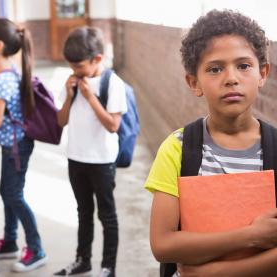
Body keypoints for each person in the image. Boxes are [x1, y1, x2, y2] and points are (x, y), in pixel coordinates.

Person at [145, 10, 277, 276]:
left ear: (262, 73)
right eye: (215, 69)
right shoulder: (178, 148)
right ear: (194, 82)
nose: (231, 78)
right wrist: (251, 235)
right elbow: (163, 244)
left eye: (243, 66)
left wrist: (211, 273)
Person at [54, 27, 127, 277]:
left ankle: (108, 267)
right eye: (71, 66)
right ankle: (82, 260)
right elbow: (61, 121)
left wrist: (89, 96)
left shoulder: (112, 83)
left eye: (79, 66)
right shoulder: (72, 81)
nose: (75, 71)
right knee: (83, 212)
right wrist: (70, 95)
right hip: (76, 157)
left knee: (107, 215)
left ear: (97, 59)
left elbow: (113, 125)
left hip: (102, 161)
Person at [0, 18, 47, 272]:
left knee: (13, 195)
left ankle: (37, 248)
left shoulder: (2, 80)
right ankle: (9, 242)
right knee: (7, 192)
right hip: (12, 146)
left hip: (17, 147)